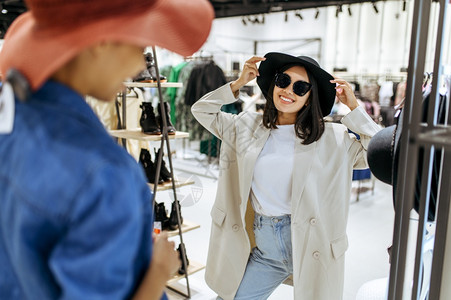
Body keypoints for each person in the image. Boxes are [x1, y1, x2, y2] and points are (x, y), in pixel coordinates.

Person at [0, 0, 213, 299]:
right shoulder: (104, 175)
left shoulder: (14, 118)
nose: (141, 66)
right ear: (101, 41)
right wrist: (157, 273)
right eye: (139, 48)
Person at [191, 53, 381, 300]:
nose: (289, 90)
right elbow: (201, 111)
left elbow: (378, 152)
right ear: (273, 83)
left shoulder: (333, 138)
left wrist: (354, 107)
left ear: (310, 96)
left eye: (301, 87)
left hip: (313, 247)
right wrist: (238, 84)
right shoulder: (245, 125)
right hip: (266, 250)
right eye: (283, 80)